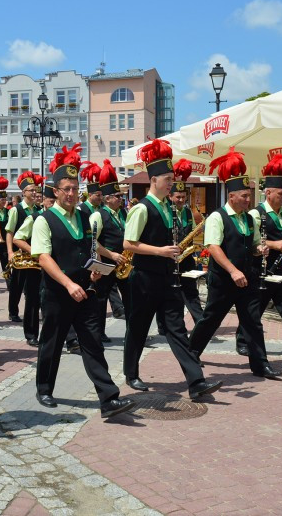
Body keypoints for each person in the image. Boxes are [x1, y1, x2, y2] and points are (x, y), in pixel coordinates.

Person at [32, 144, 137, 418]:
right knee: (52, 342)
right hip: (58, 293)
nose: (71, 194)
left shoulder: (84, 216)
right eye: (66, 189)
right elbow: (43, 257)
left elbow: (89, 249)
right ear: (56, 191)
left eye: (74, 188)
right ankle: (44, 388)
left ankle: (108, 398)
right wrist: (68, 284)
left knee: (93, 343)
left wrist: (95, 270)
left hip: (86, 291)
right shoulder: (44, 220)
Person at [122, 140, 223, 399]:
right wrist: (160, 251)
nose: (171, 184)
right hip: (144, 278)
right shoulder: (141, 208)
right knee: (138, 327)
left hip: (167, 278)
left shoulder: (169, 208)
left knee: (176, 329)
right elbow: (128, 243)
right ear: (154, 180)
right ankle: (131, 373)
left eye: (172, 179)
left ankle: (196, 381)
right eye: (167, 179)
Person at [188, 149, 281, 380]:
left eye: (249, 196)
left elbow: (255, 244)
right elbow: (213, 247)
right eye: (245, 196)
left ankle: (260, 365)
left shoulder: (249, 218)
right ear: (231, 196)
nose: (249, 200)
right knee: (211, 319)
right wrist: (233, 270)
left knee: (253, 322)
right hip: (223, 279)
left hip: (247, 279)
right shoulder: (217, 217)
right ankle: (191, 353)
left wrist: (260, 249)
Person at [236, 154, 282, 355]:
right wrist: (274, 244)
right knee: (255, 309)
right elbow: (250, 242)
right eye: (280, 194)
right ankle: (242, 340)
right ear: (268, 192)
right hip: (262, 271)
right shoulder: (255, 214)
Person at [88, 160, 128, 344]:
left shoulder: (123, 213)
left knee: (130, 298)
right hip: (106, 263)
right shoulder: (98, 215)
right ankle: (99, 333)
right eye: (117, 196)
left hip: (123, 263)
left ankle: (134, 334)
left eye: (121, 196)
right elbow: (92, 241)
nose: (121, 199)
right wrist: (111, 255)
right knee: (101, 300)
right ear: (107, 198)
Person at [169, 160, 205, 327]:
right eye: (178, 197)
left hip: (186, 258)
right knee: (171, 295)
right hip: (171, 258)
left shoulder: (189, 212)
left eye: (183, 197)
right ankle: (166, 326)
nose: (181, 200)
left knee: (191, 292)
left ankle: (200, 323)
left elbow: (191, 231)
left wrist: (197, 232)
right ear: (170, 196)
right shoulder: (166, 211)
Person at [11, 171, 44, 344]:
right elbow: (10, 233)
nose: (34, 193)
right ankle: (14, 312)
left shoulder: (38, 211)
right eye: (31, 190)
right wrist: (10, 253)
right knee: (19, 288)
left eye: (36, 190)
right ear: (23, 192)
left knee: (36, 294)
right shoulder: (16, 210)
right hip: (23, 256)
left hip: (38, 259)